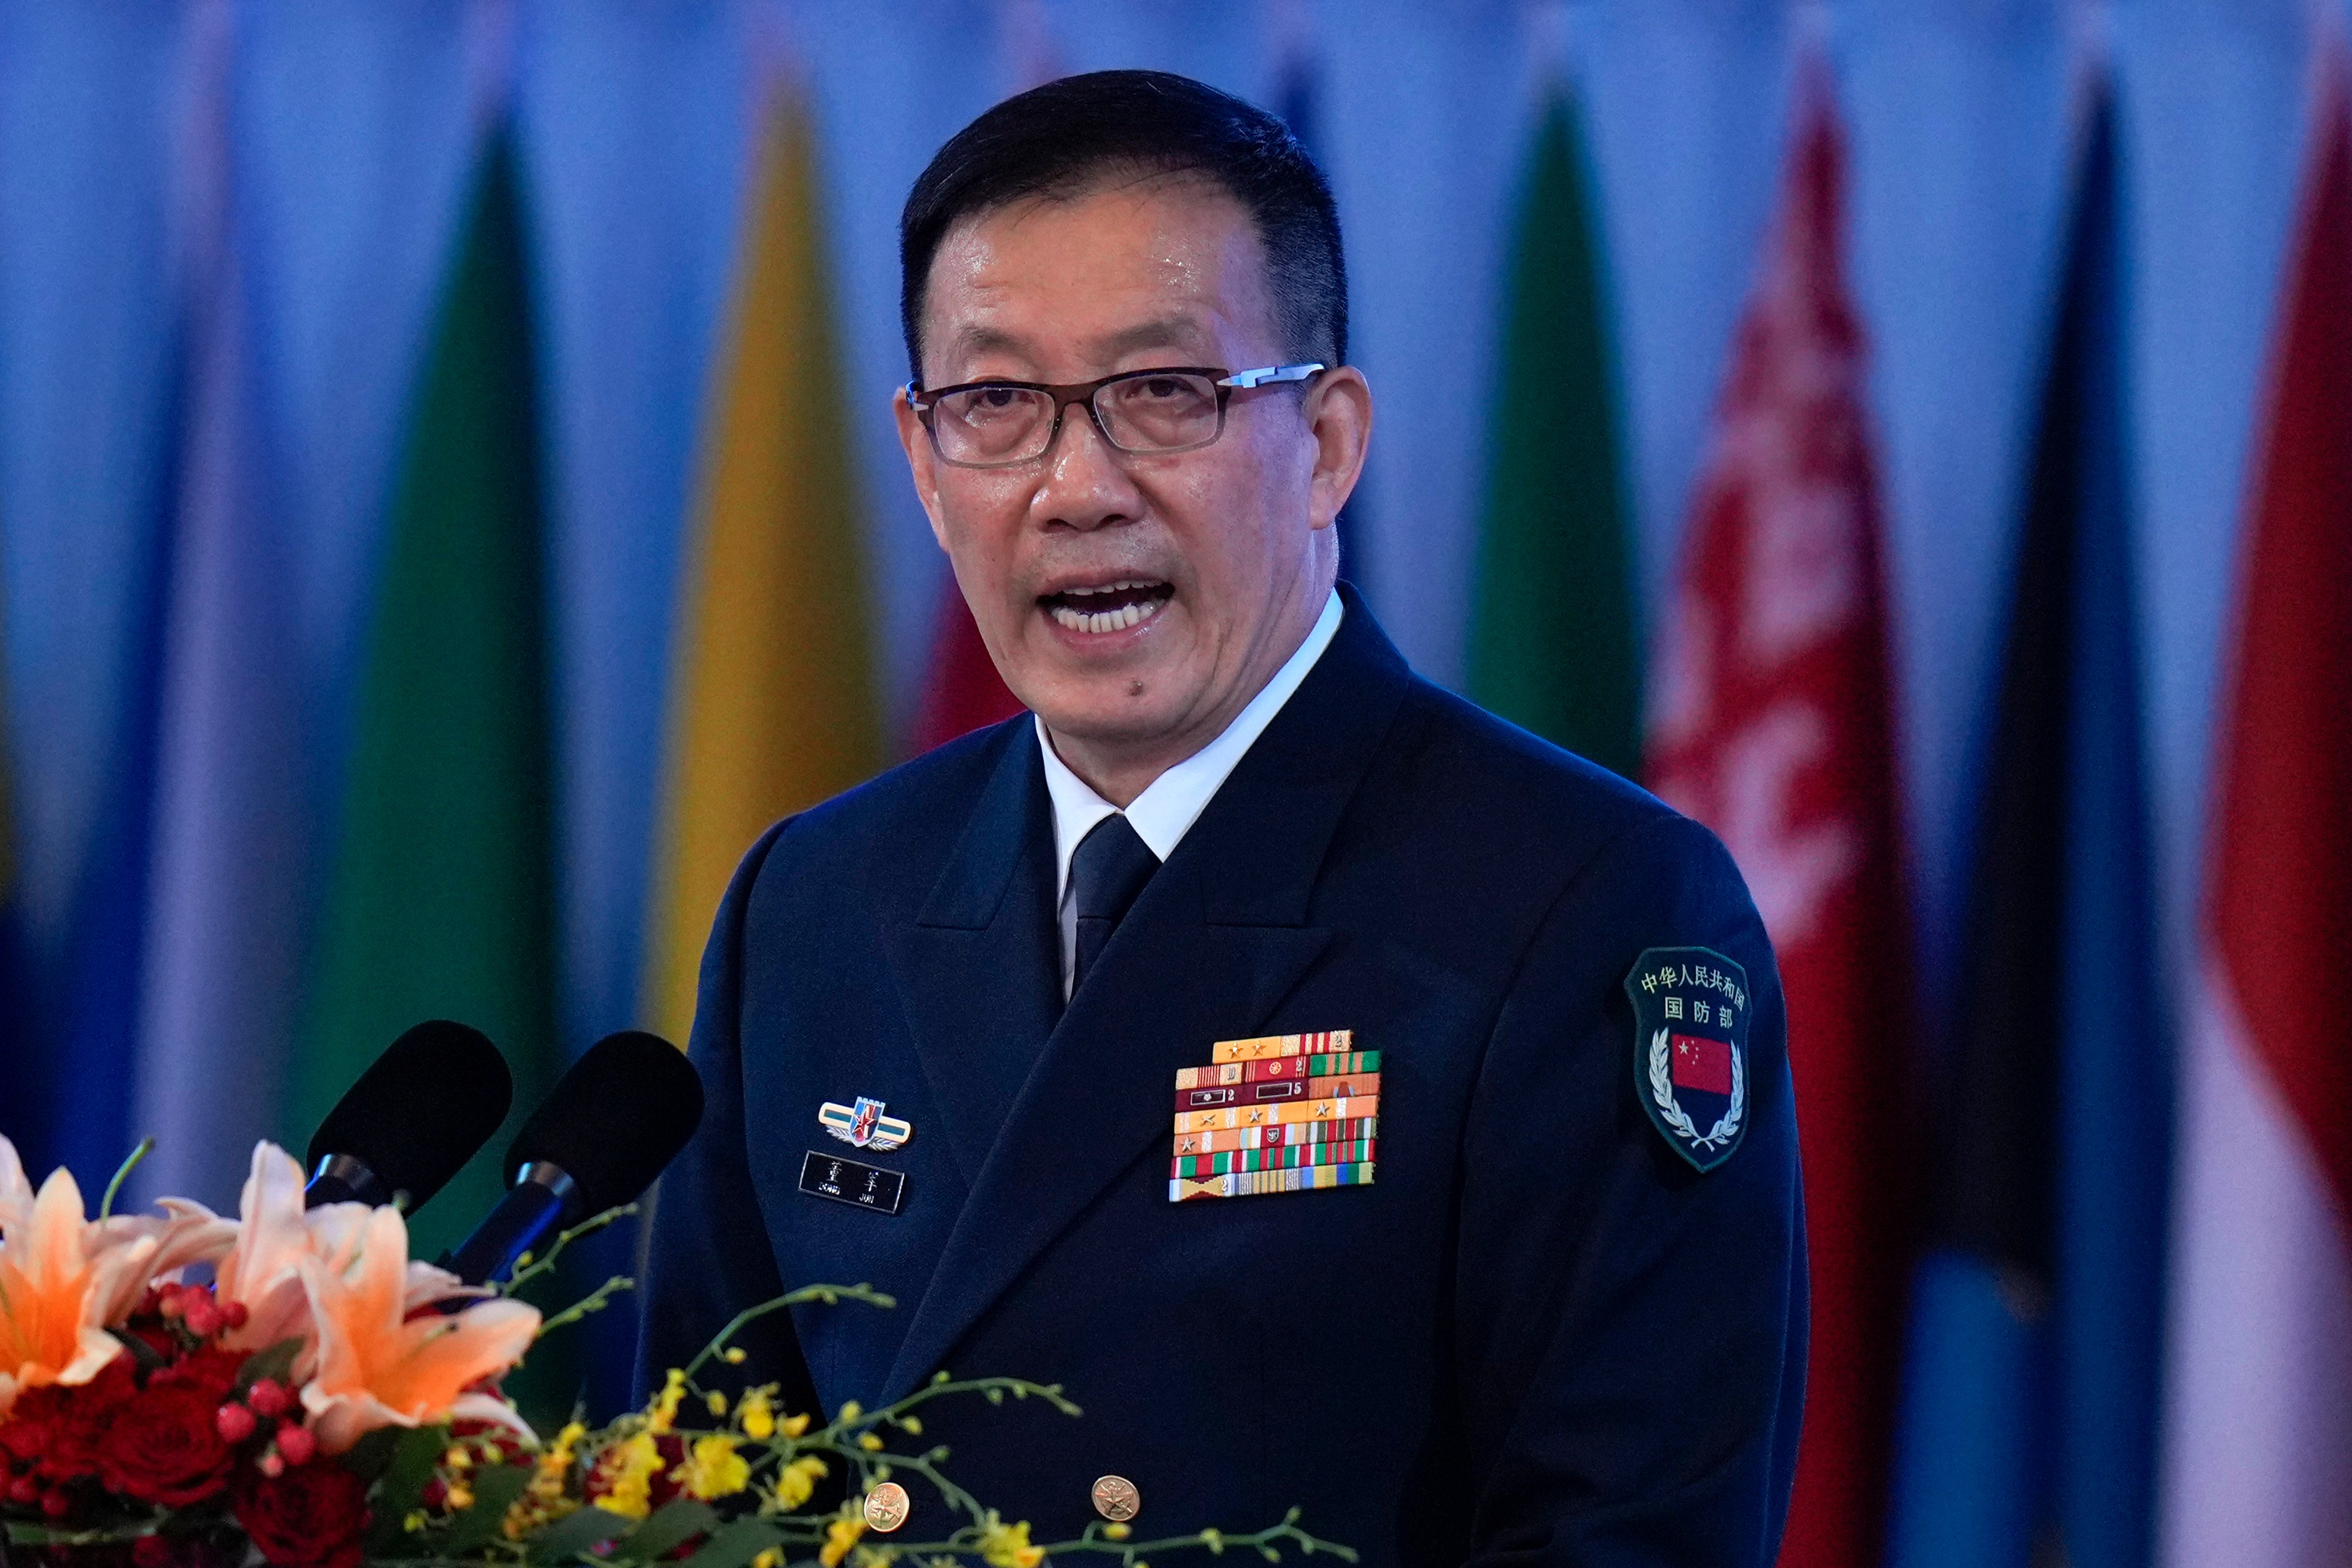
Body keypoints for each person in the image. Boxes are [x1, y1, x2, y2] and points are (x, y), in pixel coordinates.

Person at [636, 68, 1803, 1566]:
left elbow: (1631, 1537)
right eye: (997, 404)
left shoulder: (1590, 907)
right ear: (925, 466)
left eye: (1163, 395)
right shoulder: (815, 900)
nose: (1076, 485)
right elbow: (700, 1496)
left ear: (1325, 442)